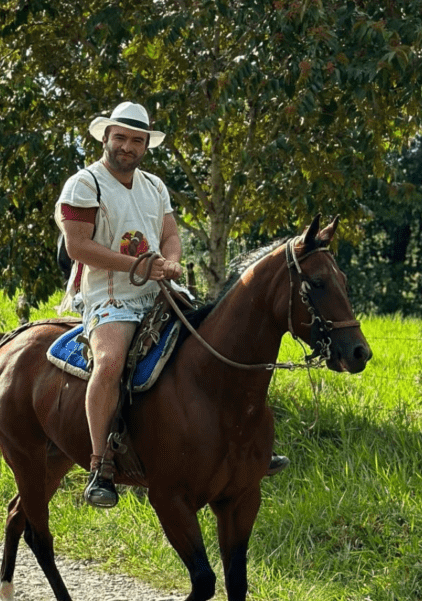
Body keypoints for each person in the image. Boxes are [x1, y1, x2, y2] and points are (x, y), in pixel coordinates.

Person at [55, 102, 287, 509]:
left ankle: (244, 448)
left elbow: (170, 235)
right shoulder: (83, 184)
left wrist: (172, 261)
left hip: (160, 290)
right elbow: (77, 246)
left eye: (136, 140)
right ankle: (100, 465)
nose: (128, 146)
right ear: (106, 138)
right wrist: (140, 266)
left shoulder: (155, 186)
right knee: (109, 363)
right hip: (110, 295)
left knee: (225, 345)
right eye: (121, 138)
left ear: (146, 145)